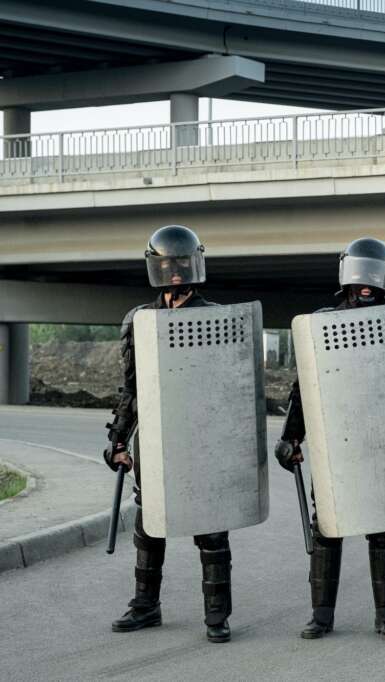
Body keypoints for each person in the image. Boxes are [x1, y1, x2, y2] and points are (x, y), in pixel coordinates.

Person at [104, 225, 233, 643]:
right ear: (156, 267)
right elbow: (132, 387)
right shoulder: (140, 321)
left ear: (194, 264)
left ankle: (217, 615)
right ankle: (146, 606)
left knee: (210, 527)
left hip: (202, 435)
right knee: (150, 523)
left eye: (182, 264)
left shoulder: (216, 318)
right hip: (155, 437)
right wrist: (119, 442)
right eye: (168, 265)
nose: (176, 273)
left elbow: (230, 388)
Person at [275, 237, 385, 641]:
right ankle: (321, 615)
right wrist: (291, 436)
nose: (366, 283)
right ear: (347, 276)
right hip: (337, 442)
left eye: (373, 274)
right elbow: (306, 388)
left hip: (383, 442)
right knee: (327, 528)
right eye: (360, 274)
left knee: (383, 533)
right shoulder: (324, 320)